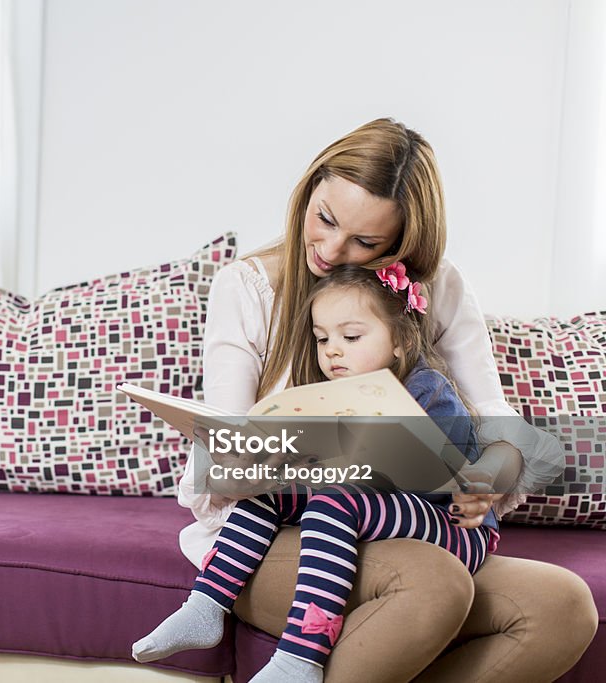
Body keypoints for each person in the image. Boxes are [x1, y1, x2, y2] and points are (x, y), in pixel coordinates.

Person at [168, 119, 597, 681]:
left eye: (366, 242)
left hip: (406, 521)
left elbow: (500, 423)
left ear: (402, 241)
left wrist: (493, 471)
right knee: (432, 583)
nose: (331, 249)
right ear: (310, 187)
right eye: (324, 219)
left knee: (562, 604)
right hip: (276, 532)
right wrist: (258, 457)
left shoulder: (435, 287)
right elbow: (220, 456)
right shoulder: (247, 287)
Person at [133, 264, 499, 682]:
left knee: (335, 499)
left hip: (456, 527)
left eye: (351, 337)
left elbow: (454, 472)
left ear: (399, 339)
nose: (333, 351)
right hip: (384, 509)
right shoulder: (331, 396)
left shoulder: (427, 389)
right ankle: (205, 606)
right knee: (269, 493)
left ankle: (301, 658)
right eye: (323, 338)